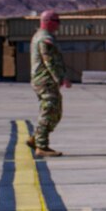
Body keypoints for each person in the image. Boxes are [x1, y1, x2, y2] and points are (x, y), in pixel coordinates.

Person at [28, 11, 67, 157]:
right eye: (57, 20)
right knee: (50, 111)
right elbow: (49, 61)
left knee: (55, 112)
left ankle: (36, 139)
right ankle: (42, 146)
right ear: (48, 21)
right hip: (46, 80)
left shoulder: (44, 36)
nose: (59, 24)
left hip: (45, 80)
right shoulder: (44, 38)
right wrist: (60, 78)